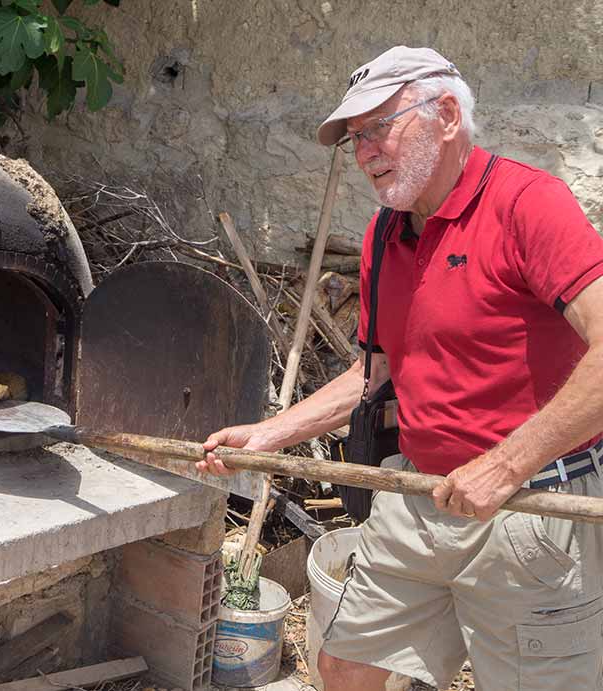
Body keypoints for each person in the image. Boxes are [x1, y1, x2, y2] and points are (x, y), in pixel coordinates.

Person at [198, 46, 603, 691]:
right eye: (354, 137)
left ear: (445, 114)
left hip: (531, 507)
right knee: (347, 664)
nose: (364, 152)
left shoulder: (529, 205)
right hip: (418, 494)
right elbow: (380, 369)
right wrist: (270, 436)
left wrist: (505, 464)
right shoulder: (386, 234)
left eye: (378, 127)